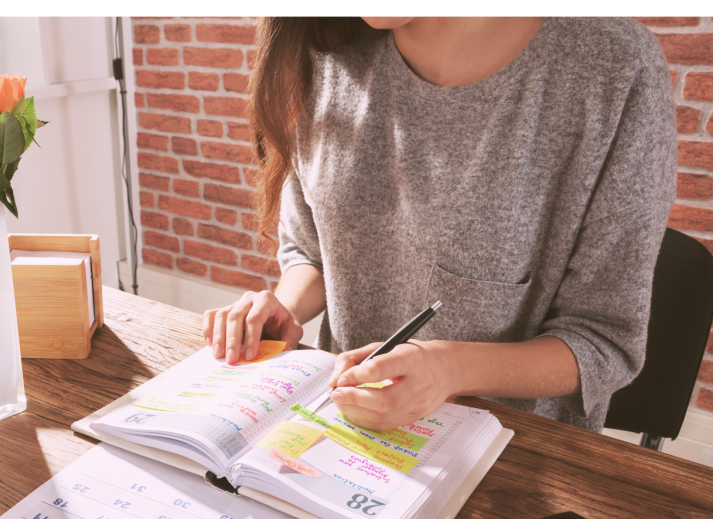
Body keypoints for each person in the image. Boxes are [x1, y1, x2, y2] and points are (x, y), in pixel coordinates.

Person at [202, 16, 676, 432]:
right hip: (340, 428)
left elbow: (604, 341)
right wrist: (284, 308)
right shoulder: (325, 55)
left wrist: (448, 369)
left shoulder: (612, 68)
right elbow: (312, 254)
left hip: (512, 458)